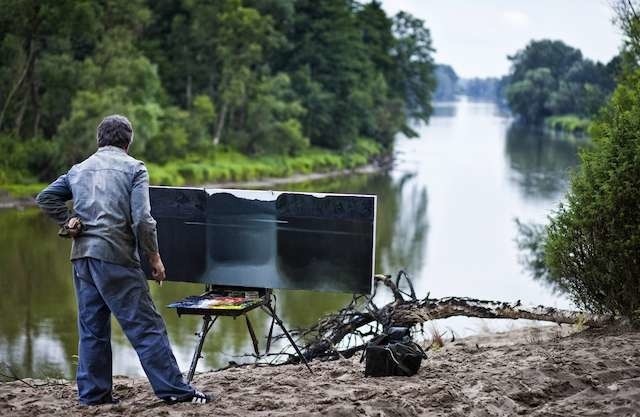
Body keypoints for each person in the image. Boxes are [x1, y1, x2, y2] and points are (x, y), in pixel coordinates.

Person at [36, 115, 212, 406]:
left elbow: (45, 198)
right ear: (128, 141)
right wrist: (154, 258)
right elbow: (143, 220)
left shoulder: (78, 170)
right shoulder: (134, 168)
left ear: (99, 140)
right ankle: (174, 390)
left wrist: (68, 220)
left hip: (82, 259)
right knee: (146, 326)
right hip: (116, 257)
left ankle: (94, 396)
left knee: (92, 330)